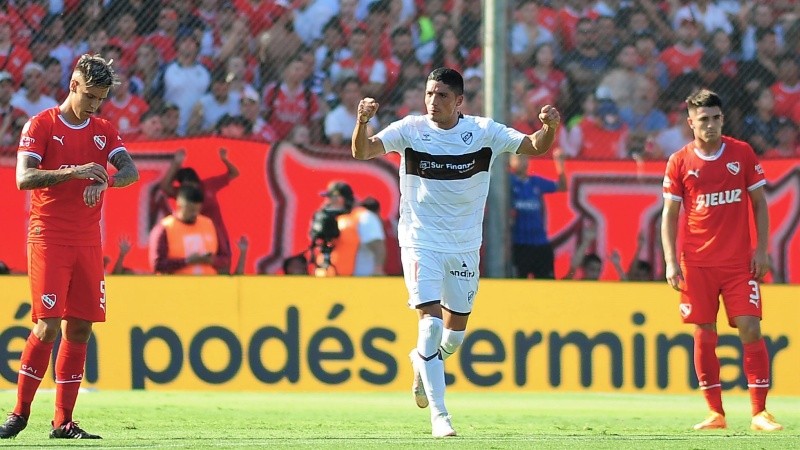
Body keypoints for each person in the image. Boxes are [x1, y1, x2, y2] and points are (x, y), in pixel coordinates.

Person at [352, 67, 560, 437]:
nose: (433, 101)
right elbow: (363, 150)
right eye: (429, 94)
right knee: (430, 325)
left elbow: (535, 146)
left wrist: (550, 127)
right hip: (420, 240)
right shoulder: (410, 129)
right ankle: (440, 416)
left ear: (459, 100)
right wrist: (362, 122)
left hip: (464, 246)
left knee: (452, 338)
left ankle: (423, 361)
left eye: (442, 95)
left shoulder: (483, 132)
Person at [1, 54, 139, 440]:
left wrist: (107, 181)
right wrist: (75, 172)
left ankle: (63, 421)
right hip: (48, 236)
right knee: (47, 327)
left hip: (88, 241)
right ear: (74, 85)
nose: (95, 105)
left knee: (80, 328)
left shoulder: (104, 130)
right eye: (90, 96)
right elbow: (23, 178)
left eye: (101, 99)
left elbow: (130, 171)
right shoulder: (41, 124)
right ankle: (19, 414)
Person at [661, 89, 782, 432]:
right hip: (696, 263)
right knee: (704, 332)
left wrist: (761, 250)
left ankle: (760, 412)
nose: (710, 125)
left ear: (723, 119)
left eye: (716, 118)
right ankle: (716, 412)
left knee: (750, 327)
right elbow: (669, 215)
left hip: (738, 263)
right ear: (691, 123)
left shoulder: (741, 153)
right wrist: (671, 261)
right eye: (703, 120)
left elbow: (759, 203)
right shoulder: (679, 161)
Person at [159, 147, 239, 274]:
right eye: (187, 187)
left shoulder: (208, 185)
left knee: (223, 265)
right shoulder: (183, 194)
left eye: (193, 185)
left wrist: (225, 160)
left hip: (216, 232)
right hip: (192, 236)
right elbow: (165, 187)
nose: (192, 190)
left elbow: (234, 173)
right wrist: (176, 164)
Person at [509, 149, 567, 279]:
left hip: (540, 243)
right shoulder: (508, 182)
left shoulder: (535, 182)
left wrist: (560, 164)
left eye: (525, 158)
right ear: (510, 162)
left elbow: (563, 186)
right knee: (518, 285)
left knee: (547, 283)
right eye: (519, 157)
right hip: (519, 244)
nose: (523, 161)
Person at [149, 185, 228, 275]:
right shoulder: (165, 228)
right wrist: (187, 261)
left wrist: (212, 260)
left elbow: (225, 258)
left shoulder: (209, 224)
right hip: (177, 283)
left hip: (207, 282)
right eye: (190, 210)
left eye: (197, 210)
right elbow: (158, 265)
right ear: (179, 205)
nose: (194, 213)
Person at [314, 181, 386, 277]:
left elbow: (378, 246)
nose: (326, 202)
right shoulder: (332, 218)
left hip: (360, 279)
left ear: (340, 199)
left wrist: (378, 269)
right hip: (331, 276)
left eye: (330, 197)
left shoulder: (364, 217)